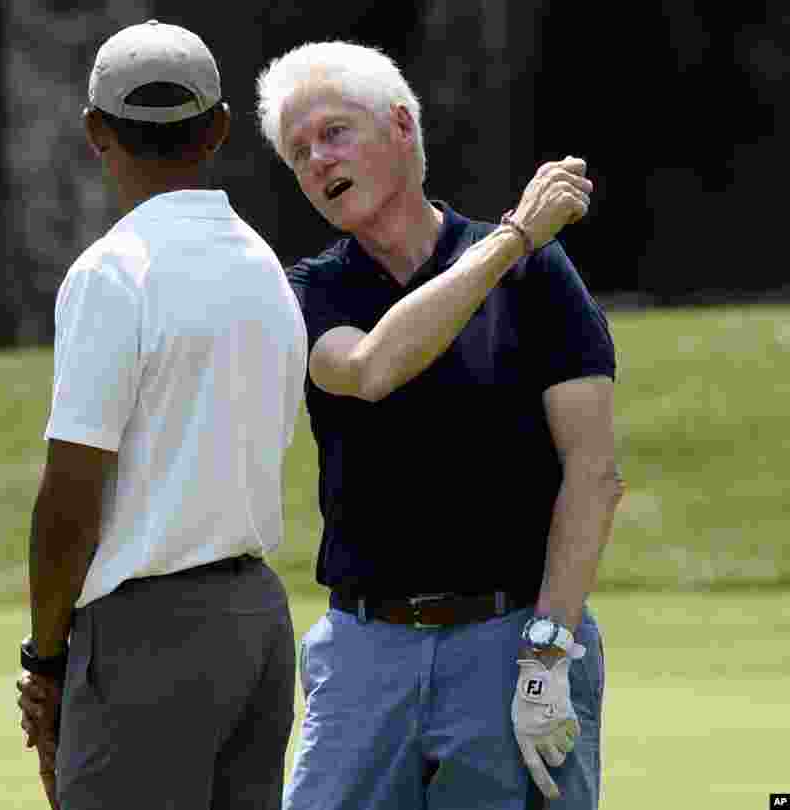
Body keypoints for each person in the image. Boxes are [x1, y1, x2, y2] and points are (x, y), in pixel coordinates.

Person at [254, 41, 624, 809]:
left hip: (513, 637)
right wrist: (513, 239)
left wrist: (549, 655)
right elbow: (370, 369)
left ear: (400, 126)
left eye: (332, 133)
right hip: (365, 653)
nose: (317, 161)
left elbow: (592, 473)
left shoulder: (540, 276)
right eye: (297, 153)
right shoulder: (310, 291)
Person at [15, 20, 308, 810]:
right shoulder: (264, 269)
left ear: (94, 133)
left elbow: (72, 495)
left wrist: (44, 661)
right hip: (256, 626)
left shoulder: (112, 273)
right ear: (216, 129)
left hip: (147, 634)